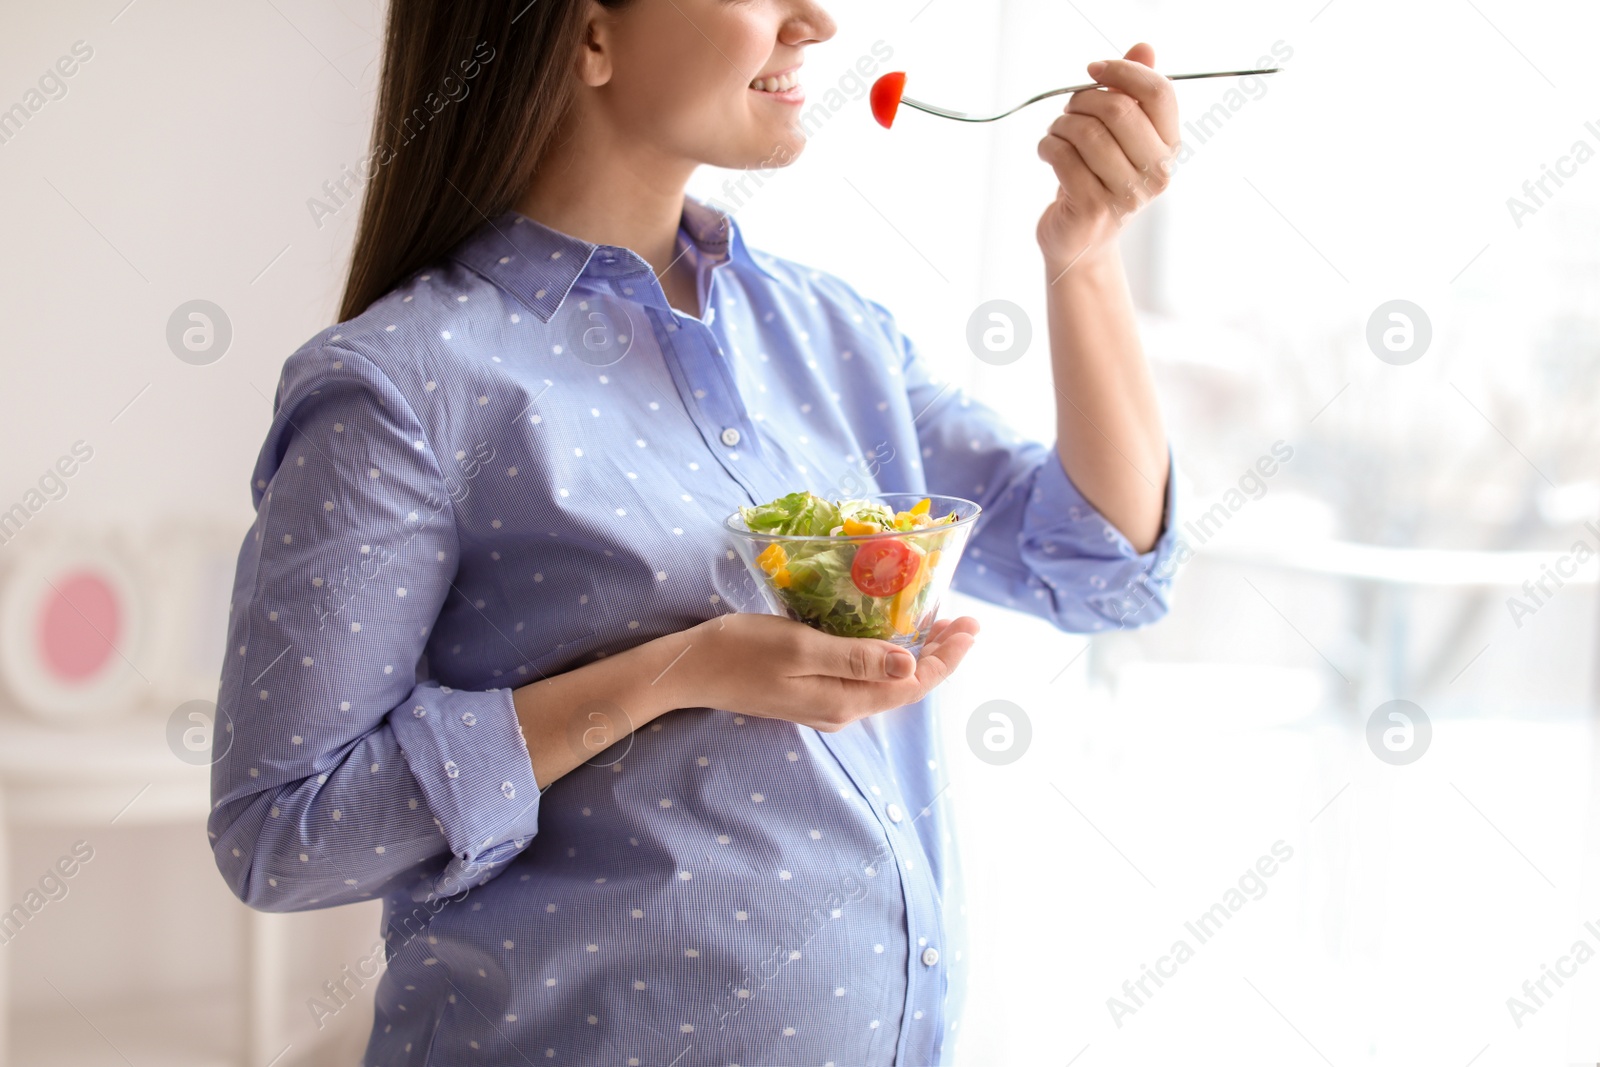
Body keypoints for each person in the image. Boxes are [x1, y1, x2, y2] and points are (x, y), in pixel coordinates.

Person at [208, 1, 1180, 1063]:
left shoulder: (831, 336)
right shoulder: (407, 385)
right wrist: (673, 671)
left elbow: (1099, 569)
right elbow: (284, 834)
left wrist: (1082, 257)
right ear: (587, 37)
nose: (814, 18)